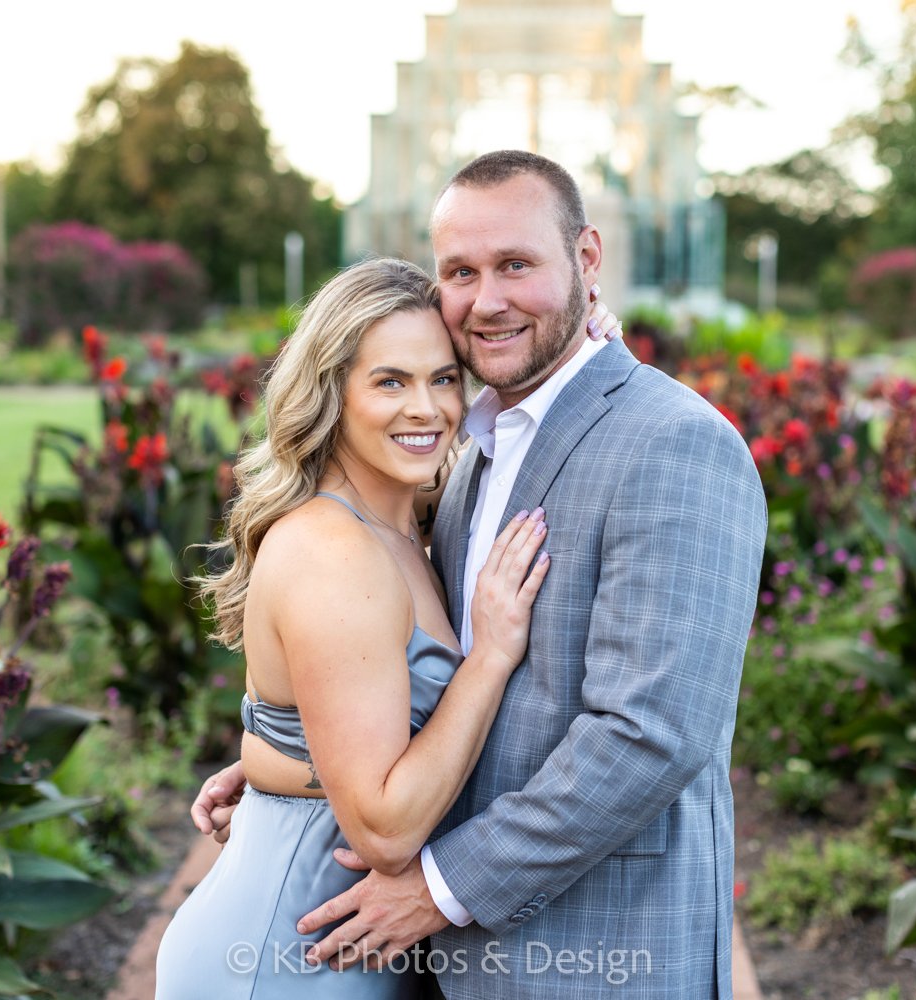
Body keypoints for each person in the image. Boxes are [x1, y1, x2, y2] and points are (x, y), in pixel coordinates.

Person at [193, 150, 767, 999]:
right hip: (433, 960)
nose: (487, 299)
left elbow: (648, 735)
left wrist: (440, 888)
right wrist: (302, 759)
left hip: (601, 951)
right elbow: (421, 665)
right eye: (461, 271)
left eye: (516, 265)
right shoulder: (467, 451)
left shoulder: (674, 443)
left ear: (587, 259)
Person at [156, 256, 568, 999]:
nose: (428, 409)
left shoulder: (410, 523)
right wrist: (491, 654)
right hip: (288, 955)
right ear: (331, 393)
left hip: (352, 946)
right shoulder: (336, 552)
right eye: (390, 381)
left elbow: (357, 713)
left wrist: (277, 760)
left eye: (443, 378)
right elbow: (382, 829)